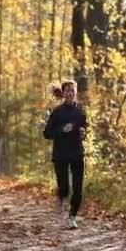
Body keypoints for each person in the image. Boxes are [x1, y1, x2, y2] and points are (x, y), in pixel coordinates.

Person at [43, 80, 87, 229]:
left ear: (75, 93)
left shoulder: (80, 111)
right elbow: (47, 133)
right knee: (65, 187)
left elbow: (85, 128)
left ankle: (72, 217)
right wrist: (62, 130)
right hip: (61, 153)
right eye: (67, 90)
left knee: (78, 187)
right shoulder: (57, 112)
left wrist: (83, 133)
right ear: (63, 93)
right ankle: (61, 197)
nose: (70, 93)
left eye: (73, 91)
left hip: (77, 152)